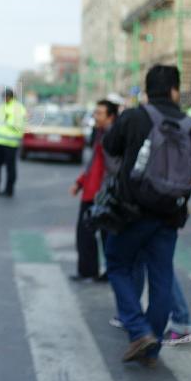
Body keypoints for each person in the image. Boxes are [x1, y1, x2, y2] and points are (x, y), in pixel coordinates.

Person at [102, 65, 191, 366]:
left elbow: (109, 146)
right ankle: (152, 346)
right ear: (175, 91)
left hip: (131, 212)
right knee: (161, 276)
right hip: (170, 215)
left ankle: (138, 330)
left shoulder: (134, 117)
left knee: (117, 264)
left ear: (148, 91)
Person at [70, 99, 118, 281]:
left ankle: (103, 272)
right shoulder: (99, 133)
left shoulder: (113, 136)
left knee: (97, 234)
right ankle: (93, 271)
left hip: (103, 194)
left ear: (111, 116)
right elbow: (93, 164)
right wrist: (80, 182)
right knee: (90, 234)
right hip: (92, 191)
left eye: (100, 113)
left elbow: (113, 168)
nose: (95, 116)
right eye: (95, 112)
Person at [0, 88, 26, 196]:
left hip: (11, 144)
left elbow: (20, 126)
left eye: (6, 96)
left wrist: (8, 120)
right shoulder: (0, 108)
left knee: (10, 168)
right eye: (3, 96)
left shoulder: (18, 108)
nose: (5, 98)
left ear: (11, 97)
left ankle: (9, 190)